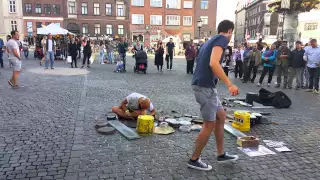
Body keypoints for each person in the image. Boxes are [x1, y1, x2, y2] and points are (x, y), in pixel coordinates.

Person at [188, 20, 239, 171]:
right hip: (204, 87)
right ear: (230, 31)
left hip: (207, 86)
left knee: (221, 116)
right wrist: (230, 84)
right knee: (209, 124)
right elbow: (213, 63)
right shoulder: (222, 39)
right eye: (231, 33)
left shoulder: (210, 41)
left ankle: (221, 153)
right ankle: (194, 159)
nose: (230, 36)